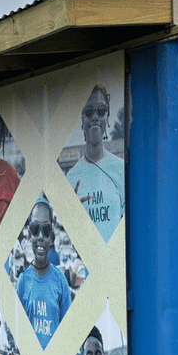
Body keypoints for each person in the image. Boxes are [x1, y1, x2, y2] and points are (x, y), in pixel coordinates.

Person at [67, 85, 125, 242]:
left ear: (107, 117)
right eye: (88, 111)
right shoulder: (71, 176)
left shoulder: (121, 169)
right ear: (82, 120)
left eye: (101, 111)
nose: (95, 117)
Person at [16, 198, 71, 348]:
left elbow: (68, 334)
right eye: (35, 229)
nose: (40, 236)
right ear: (29, 235)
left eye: (45, 230)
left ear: (52, 237)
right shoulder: (23, 281)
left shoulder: (61, 282)